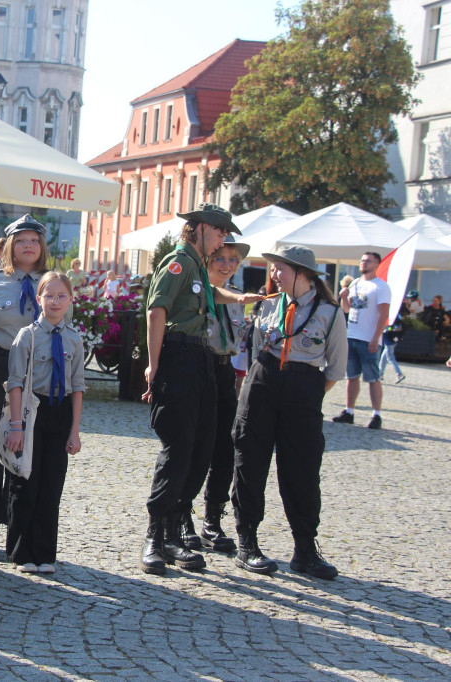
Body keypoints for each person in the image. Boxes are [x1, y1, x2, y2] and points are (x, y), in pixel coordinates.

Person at [139, 203, 258, 576]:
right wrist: (154, 364)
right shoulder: (178, 261)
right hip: (177, 356)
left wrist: (239, 298)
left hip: (201, 358)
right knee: (178, 448)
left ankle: (175, 531)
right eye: (221, 232)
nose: (224, 240)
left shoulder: (197, 265)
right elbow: (156, 311)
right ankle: (156, 536)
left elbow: (210, 295)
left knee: (202, 448)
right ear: (202, 228)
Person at [231, 245, 347, 579]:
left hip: (304, 390)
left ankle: (305, 550)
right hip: (263, 384)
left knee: (302, 470)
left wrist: (305, 393)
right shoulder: (267, 305)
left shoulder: (330, 313)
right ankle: (247, 542)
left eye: (280, 268)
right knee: (249, 462)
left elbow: (335, 370)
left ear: (302, 273)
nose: (274, 274)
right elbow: (255, 352)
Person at [0, 214, 48, 559]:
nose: (27, 246)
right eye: (21, 240)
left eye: (33, 240)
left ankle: (19, 529)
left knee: (27, 447)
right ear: (9, 246)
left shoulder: (51, 283)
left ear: (42, 247)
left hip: (34, 372)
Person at [3, 272, 85, 573]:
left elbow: (77, 387)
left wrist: (74, 431)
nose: (55, 301)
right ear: (38, 300)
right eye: (49, 296)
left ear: (70, 300)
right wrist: (16, 425)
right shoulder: (28, 336)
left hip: (59, 412)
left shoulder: (74, 339)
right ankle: (22, 551)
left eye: (61, 296)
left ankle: (45, 553)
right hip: (30, 410)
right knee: (25, 480)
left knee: (52, 484)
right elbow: (14, 382)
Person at [180, 237, 249, 554]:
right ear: (206, 261)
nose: (227, 265)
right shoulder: (195, 293)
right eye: (220, 258)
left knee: (225, 449)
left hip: (224, 373)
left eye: (233, 260)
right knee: (193, 448)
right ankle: (182, 517)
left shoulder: (236, 298)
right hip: (198, 369)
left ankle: (212, 520)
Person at [333, 252, 390, 430]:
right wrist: (343, 297)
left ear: (376, 264)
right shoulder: (356, 283)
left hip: (368, 338)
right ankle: (349, 410)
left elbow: (383, 314)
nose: (363, 263)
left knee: (372, 377)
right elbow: (347, 310)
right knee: (351, 376)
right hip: (352, 335)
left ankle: (376, 414)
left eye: (368, 261)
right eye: (362, 260)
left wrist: (375, 338)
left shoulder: (380, 287)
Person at [379, 301, 406, 384]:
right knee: (384, 356)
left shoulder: (392, 315)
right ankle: (380, 374)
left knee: (390, 357)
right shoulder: (398, 315)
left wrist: (386, 329)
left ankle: (399, 374)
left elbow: (392, 327)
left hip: (389, 338)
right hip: (394, 338)